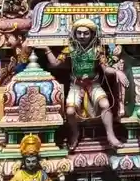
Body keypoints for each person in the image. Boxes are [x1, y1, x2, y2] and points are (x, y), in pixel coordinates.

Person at [45, 19, 129, 150]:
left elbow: (105, 68)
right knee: (70, 111)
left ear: (92, 34)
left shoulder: (97, 50)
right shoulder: (70, 49)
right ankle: (75, 133)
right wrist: (46, 49)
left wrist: (117, 72)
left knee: (105, 104)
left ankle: (111, 135)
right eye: (79, 33)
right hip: (76, 85)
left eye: (86, 33)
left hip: (93, 84)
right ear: (74, 34)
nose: (82, 36)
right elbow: (55, 64)